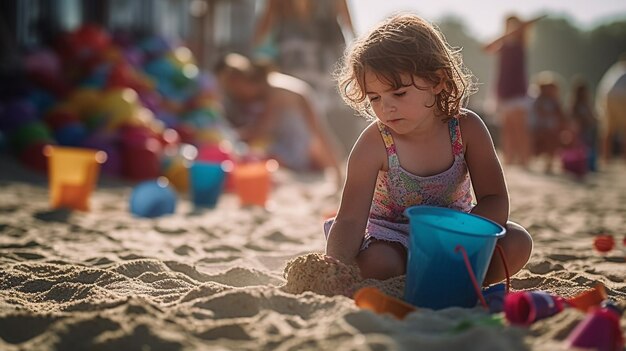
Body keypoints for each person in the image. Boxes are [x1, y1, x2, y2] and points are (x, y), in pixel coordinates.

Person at [324, 14, 533, 284]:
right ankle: (416, 282)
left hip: (457, 236)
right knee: (380, 262)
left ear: (437, 81)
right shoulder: (375, 142)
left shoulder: (466, 129)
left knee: (517, 242)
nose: (386, 107)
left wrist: (453, 237)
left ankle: (450, 281)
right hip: (393, 239)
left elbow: (495, 200)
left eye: (398, 94)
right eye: (375, 97)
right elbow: (350, 220)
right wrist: (335, 267)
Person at [213, 53, 343, 185]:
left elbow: (263, 129)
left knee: (255, 158)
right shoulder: (266, 89)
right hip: (292, 145)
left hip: (296, 151)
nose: (236, 95)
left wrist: (231, 137)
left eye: (235, 89)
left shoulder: (277, 90)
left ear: (244, 81)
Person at [483, 15, 543, 168]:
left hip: (518, 90)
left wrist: (520, 29)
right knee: (507, 128)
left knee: (520, 127)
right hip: (503, 90)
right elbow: (485, 48)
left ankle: (525, 161)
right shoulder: (503, 42)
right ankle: (508, 161)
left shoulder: (521, 42)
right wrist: (506, 34)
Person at [531, 72, 567, 174]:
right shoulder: (539, 100)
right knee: (546, 141)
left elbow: (561, 116)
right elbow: (539, 112)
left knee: (553, 142)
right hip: (540, 128)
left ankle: (550, 161)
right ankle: (546, 160)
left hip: (552, 129)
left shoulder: (555, 102)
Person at [596, 53, 626, 163]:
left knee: (608, 130)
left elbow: (603, 89)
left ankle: (605, 157)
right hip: (622, 99)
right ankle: (623, 157)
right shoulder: (620, 71)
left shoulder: (615, 70)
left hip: (609, 98)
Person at [569, 77, 599, 172]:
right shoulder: (575, 105)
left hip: (589, 129)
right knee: (581, 146)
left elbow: (593, 117)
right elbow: (573, 117)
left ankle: (590, 164)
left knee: (590, 147)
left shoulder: (587, 104)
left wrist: (593, 120)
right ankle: (579, 164)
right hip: (579, 130)